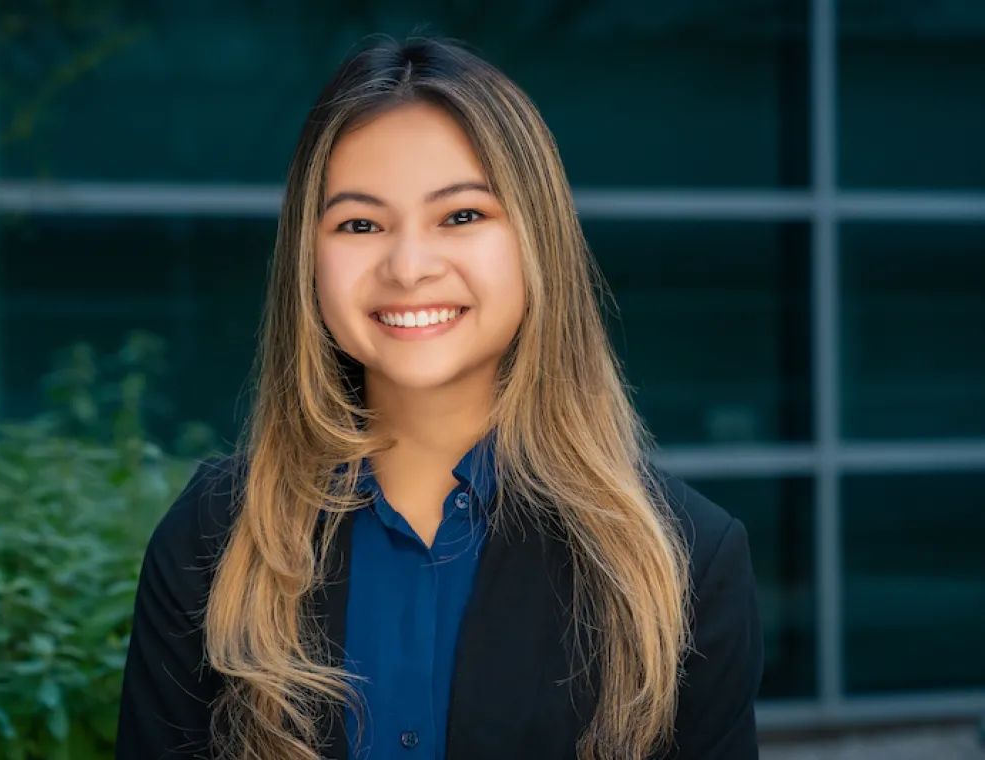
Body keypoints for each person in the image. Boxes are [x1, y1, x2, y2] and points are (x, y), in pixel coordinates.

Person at [116, 37, 763, 760]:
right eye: (359, 224)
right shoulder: (214, 538)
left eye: (460, 216)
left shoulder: (683, 563)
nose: (409, 267)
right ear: (309, 255)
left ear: (535, 240)